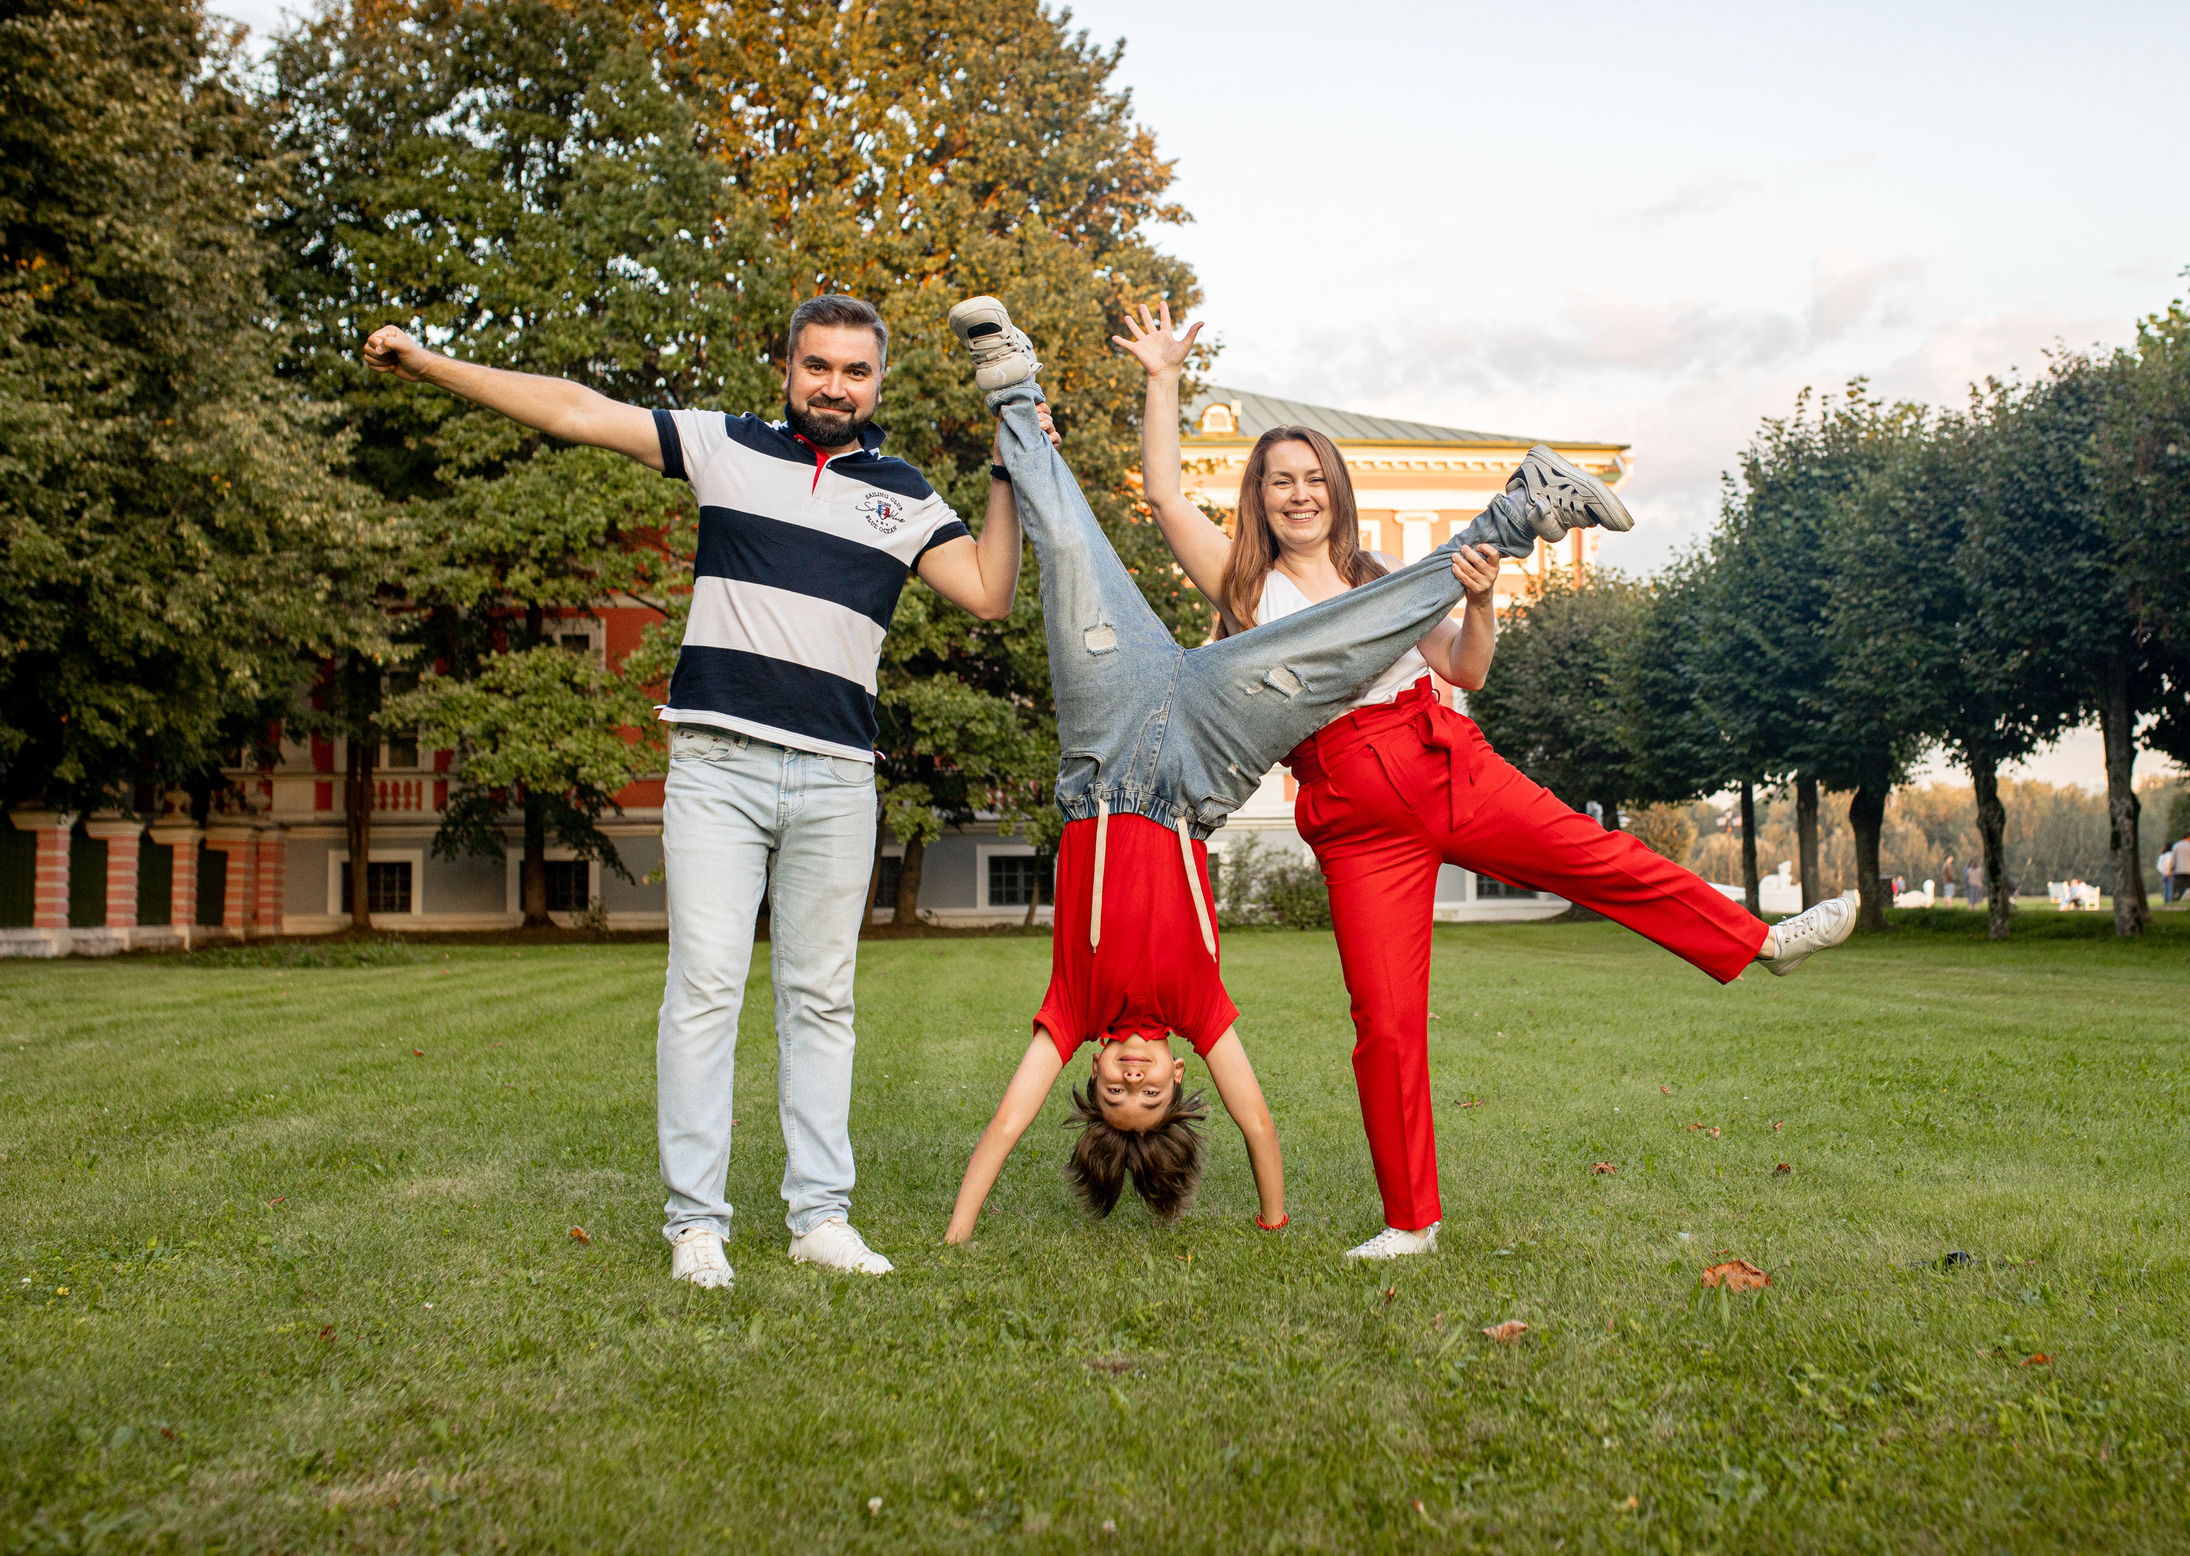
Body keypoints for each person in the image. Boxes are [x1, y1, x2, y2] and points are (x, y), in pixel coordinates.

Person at [1123, 302, 1860, 1261]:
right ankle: (1410, 1222)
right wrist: (1164, 376)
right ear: (1258, 498)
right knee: (1384, 1021)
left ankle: (1761, 943)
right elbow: (1167, 493)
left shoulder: (1386, 571)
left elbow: (1466, 670)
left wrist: (1481, 601)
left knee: (1599, 858)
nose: (1297, 495)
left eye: (1312, 479)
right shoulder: (1242, 586)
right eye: (1278, 482)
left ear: (1336, 490)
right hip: (1352, 809)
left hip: (1440, 759)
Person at [364, 296, 1029, 1290]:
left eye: (855, 370)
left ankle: (819, 1218)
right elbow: (574, 409)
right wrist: (426, 360)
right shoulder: (725, 446)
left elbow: (987, 589)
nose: (835, 385)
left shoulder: (902, 494)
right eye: (818, 366)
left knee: (821, 999)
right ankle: (696, 1226)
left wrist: (1009, 469)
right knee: (704, 992)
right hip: (717, 765)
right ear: (789, 370)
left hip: (838, 776)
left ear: (878, 383)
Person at [937, 297, 1633, 1244]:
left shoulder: (1068, 1016)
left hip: (1101, 745)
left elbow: (1008, 1121)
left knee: (1066, 554)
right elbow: (1258, 1122)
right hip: (1200, 765)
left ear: (1090, 1078)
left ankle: (1010, 384)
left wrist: (958, 1231)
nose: (1134, 1079)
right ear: (1181, 1078)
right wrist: (1271, 1214)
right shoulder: (1201, 1012)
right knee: (1341, 637)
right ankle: (1522, 510)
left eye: (1114, 1093)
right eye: (1149, 1095)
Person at [2170, 834, 2190, 903]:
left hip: (2179, 869)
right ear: (2189, 838)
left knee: (2181, 886)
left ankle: (2182, 898)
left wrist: (2171, 868)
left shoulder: (2176, 846)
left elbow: (2173, 859)